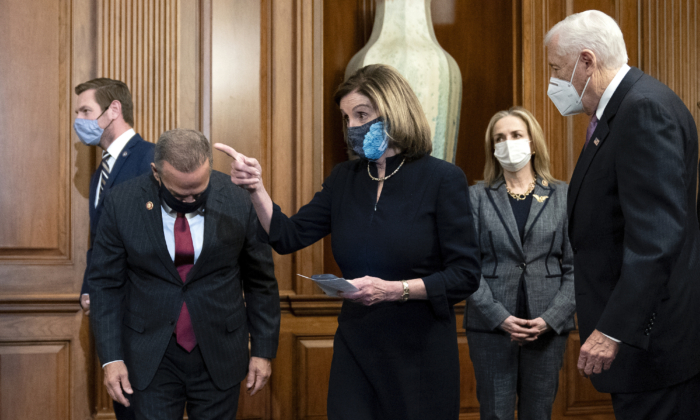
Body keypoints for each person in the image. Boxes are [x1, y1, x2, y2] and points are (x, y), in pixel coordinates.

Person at [215, 64, 481, 420]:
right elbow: (287, 236)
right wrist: (255, 189)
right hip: (356, 346)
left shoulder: (442, 178)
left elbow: (465, 274)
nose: (354, 127)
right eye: (347, 118)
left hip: (420, 352)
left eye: (362, 115)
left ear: (394, 110)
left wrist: (392, 290)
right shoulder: (344, 178)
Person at [545, 10, 700, 418]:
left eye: (557, 69)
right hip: (640, 347)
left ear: (587, 62)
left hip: (649, 344)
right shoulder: (622, 110)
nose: (553, 81)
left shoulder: (643, 110)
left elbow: (657, 239)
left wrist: (614, 330)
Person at [88, 129, 280, 419]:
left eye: (199, 191)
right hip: (149, 355)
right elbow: (105, 285)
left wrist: (263, 350)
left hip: (220, 352)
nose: (191, 200)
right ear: (156, 172)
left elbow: (260, 281)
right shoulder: (122, 203)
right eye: (180, 193)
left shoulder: (239, 198)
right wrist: (111, 359)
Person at [464, 107, 575, 420]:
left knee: (538, 413)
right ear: (493, 149)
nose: (507, 143)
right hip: (491, 326)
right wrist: (499, 317)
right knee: (495, 413)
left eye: (516, 135)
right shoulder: (476, 197)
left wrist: (550, 318)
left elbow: (576, 268)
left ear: (533, 143)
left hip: (548, 327)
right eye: (499, 138)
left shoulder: (564, 196)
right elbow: (467, 267)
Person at [74, 77, 154, 419]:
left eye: (85, 110)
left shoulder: (151, 158)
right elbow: (101, 243)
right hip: (111, 316)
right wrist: (90, 287)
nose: (79, 119)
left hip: (145, 318)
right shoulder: (99, 173)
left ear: (113, 110)